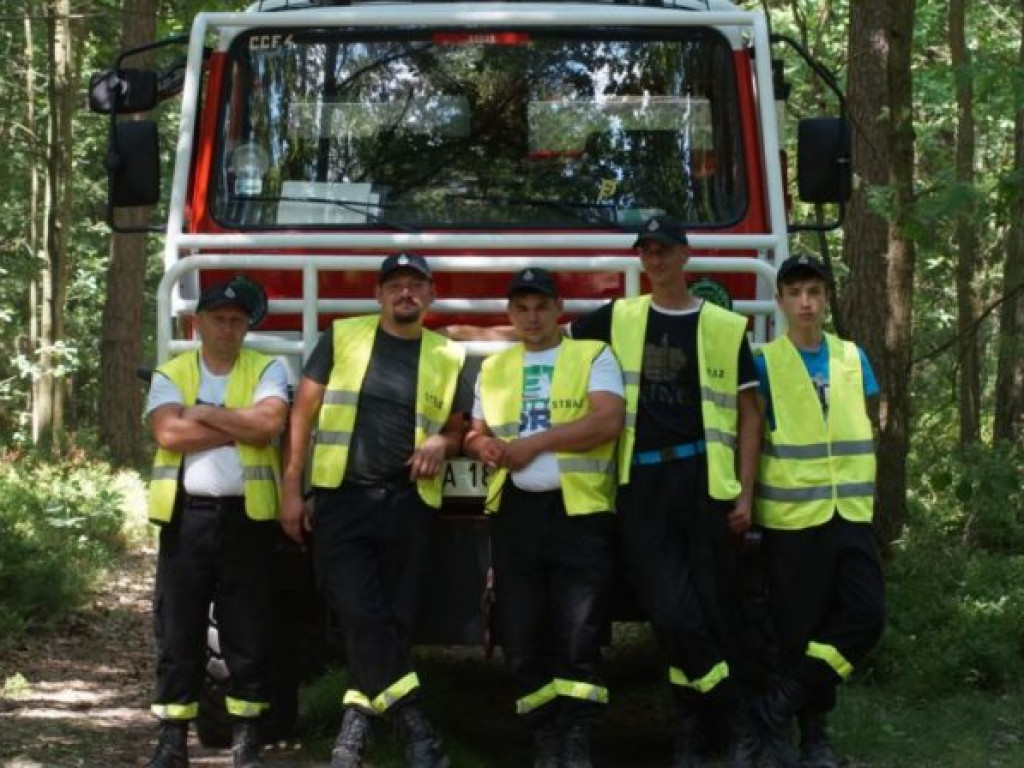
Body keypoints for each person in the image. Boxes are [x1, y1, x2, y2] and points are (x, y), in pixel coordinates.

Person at [567, 215, 763, 767]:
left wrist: (745, 494)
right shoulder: (619, 317)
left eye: (664, 250)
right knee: (671, 611)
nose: (654, 260)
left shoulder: (724, 326)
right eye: (647, 251)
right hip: (641, 485)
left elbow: (750, 414)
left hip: (703, 480)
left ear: (685, 255)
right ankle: (736, 714)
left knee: (710, 609)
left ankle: (694, 732)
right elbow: (555, 347)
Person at [281, 252, 471, 768]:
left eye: (415, 285)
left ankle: (353, 733)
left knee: (394, 621)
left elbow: (457, 428)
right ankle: (416, 725)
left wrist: (443, 442)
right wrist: (292, 490)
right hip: (343, 500)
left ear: (430, 295)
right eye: (395, 285)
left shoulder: (449, 354)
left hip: (410, 503)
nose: (405, 293)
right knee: (358, 610)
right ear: (379, 294)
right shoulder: (342, 336)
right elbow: (303, 414)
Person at [464, 268, 625, 768]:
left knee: (579, 632)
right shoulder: (494, 368)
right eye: (522, 308)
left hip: (578, 511)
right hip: (516, 513)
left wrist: (535, 444)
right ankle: (544, 736)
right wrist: (481, 445)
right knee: (520, 631)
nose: (532, 317)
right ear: (510, 314)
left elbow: (607, 420)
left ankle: (577, 736)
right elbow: (474, 431)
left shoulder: (593, 355)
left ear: (559, 310)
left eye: (541, 307)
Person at [144, 276, 289, 768]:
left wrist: (203, 413)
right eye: (218, 319)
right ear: (197, 323)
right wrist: (236, 425)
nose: (227, 328)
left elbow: (267, 426)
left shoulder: (267, 368)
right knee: (178, 632)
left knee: (249, 631)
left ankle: (246, 742)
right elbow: (168, 433)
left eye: (236, 320)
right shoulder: (172, 371)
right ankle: (172, 742)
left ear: (246, 327)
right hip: (187, 519)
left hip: (248, 519)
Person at [750, 254, 885, 768]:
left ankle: (778, 703)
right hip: (793, 517)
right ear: (781, 302)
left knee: (866, 616)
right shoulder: (763, 362)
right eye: (795, 293)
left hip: (850, 512)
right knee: (798, 629)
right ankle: (812, 738)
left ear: (826, 299)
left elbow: (863, 424)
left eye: (814, 292)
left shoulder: (852, 357)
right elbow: (751, 437)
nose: (806, 302)